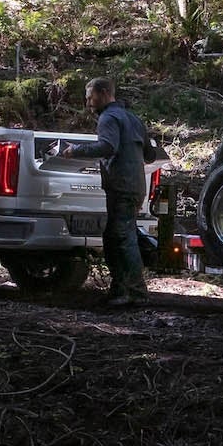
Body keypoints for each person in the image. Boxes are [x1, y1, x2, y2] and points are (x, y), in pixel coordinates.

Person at [57, 77, 151, 306]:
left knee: (123, 237)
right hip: (135, 185)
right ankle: (120, 289)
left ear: (104, 93)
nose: (88, 102)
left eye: (90, 97)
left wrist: (75, 151)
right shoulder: (133, 118)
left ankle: (136, 293)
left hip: (121, 186)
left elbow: (108, 146)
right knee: (113, 237)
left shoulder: (108, 117)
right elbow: (149, 154)